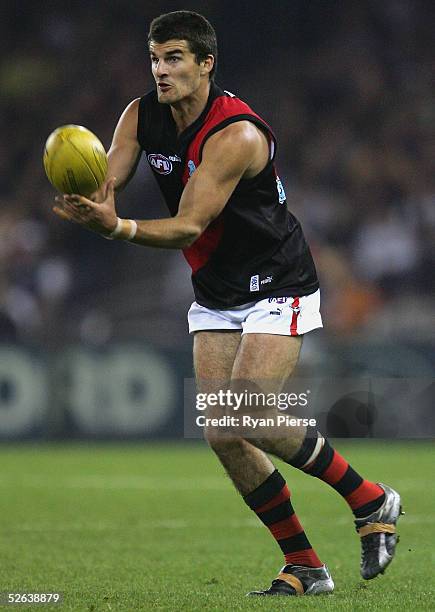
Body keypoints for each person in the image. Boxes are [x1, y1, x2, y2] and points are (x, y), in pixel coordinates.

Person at [53, 10, 402, 596]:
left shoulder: (236, 133)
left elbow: (189, 226)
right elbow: (106, 179)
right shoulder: (140, 115)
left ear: (205, 63)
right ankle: (307, 566)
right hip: (217, 289)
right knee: (221, 431)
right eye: (155, 58)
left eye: (174, 59)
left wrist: (116, 230)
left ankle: (370, 499)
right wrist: (84, 192)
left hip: (277, 281)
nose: (161, 71)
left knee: (249, 412)